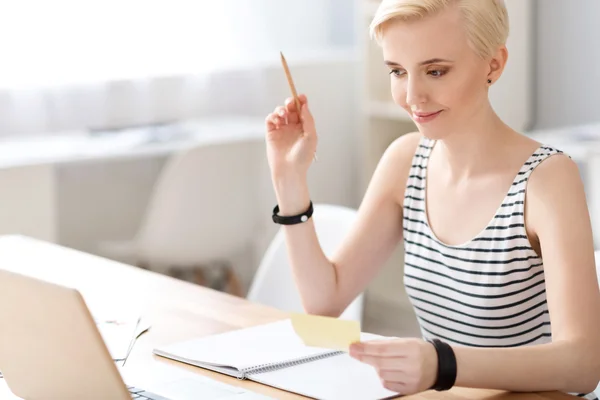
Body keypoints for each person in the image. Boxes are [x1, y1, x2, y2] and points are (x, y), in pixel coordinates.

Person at [264, 0, 600, 398]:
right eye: (398, 72)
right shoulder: (406, 162)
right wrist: (289, 179)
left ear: (493, 65)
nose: (412, 96)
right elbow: (324, 303)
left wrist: (442, 364)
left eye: (435, 71)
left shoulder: (546, 179)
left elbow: (582, 365)